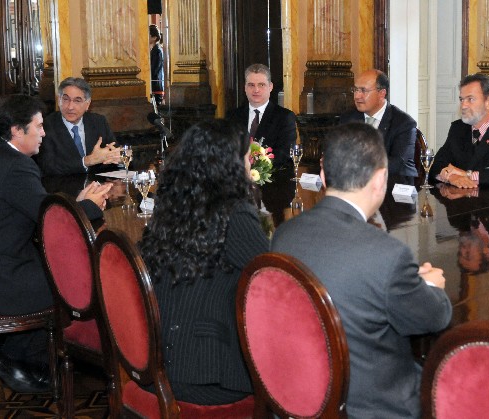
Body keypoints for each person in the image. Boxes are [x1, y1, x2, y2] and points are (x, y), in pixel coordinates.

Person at [271, 123, 452, 418]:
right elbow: (434, 317)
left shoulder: (284, 235)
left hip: (297, 396)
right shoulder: (388, 255)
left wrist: (403, 282)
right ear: (380, 179)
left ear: (323, 175)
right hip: (371, 407)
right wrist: (430, 286)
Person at [0, 94, 112, 393]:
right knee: (74, 281)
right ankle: (29, 362)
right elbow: (50, 219)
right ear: (16, 130)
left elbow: (38, 207)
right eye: (38, 126)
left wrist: (75, 204)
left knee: (51, 263)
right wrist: (90, 206)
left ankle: (12, 352)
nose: (44, 133)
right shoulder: (15, 167)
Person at [139, 119, 268, 405]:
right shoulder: (235, 213)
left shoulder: (171, 204)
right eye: (247, 158)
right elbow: (272, 277)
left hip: (155, 362)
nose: (250, 165)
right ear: (230, 164)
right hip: (206, 373)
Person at [430, 73, 489, 188]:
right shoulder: (458, 128)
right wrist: (452, 177)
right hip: (459, 198)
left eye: (470, 99)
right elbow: (436, 165)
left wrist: (469, 175)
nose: (463, 106)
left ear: (488, 101)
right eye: (461, 99)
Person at [340, 69, 418, 177]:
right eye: (355, 90)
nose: (357, 96)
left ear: (381, 93)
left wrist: (357, 163)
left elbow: (396, 164)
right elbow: (339, 150)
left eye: (363, 90)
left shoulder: (404, 123)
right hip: (356, 181)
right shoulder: (348, 118)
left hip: (394, 182)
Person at [36, 77, 121, 176]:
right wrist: (87, 161)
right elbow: (48, 167)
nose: (70, 107)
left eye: (77, 101)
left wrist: (119, 159)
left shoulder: (98, 122)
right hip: (62, 184)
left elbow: (115, 152)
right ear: (59, 100)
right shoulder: (46, 126)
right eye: (65, 99)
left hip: (98, 183)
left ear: (87, 104)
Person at [227, 63, 297, 167]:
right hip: (237, 174)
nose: (256, 90)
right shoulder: (232, 116)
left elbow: (284, 154)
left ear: (270, 87)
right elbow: (227, 150)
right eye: (251, 85)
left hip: (273, 175)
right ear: (245, 87)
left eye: (261, 85)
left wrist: (256, 166)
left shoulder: (285, 117)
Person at [149, 24, 164, 105]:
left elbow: (154, 69)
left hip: (156, 85)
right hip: (154, 84)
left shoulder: (157, 51)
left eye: (148, 35)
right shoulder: (154, 50)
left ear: (154, 37)